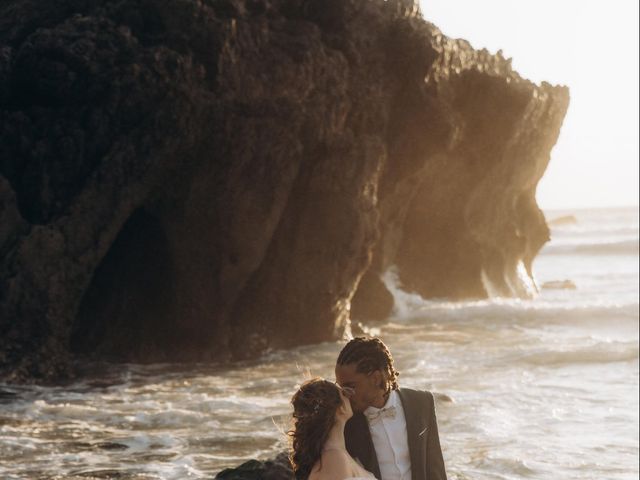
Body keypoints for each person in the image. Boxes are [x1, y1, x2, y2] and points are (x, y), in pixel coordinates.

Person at [335, 337, 448, 480]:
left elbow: (435, 468)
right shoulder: (344, 420)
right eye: (340, 387)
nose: (344, 394)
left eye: (350, 387)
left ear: (375, 379)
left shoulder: (421, 403)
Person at [289, 378, 377, 480]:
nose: (349, 395)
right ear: (340, 408)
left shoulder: (336, 455)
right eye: (343, 393)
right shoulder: (334, 459)